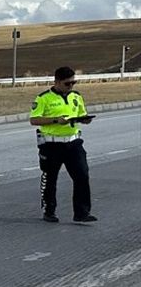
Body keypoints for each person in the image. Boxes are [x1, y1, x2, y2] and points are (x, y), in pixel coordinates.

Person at [30, 66, 95, 223]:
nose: (71, 86)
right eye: (67, 84)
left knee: (82, 175)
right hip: (52, 144)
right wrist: (55, 120)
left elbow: (80, 113)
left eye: (74, 83)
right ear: (57, 82)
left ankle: (81, 212)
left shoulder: (76, 96)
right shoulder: (43, 98)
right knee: (50, 178)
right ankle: (49, 210)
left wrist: (84, 119)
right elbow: (34, 119)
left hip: (73, 142)